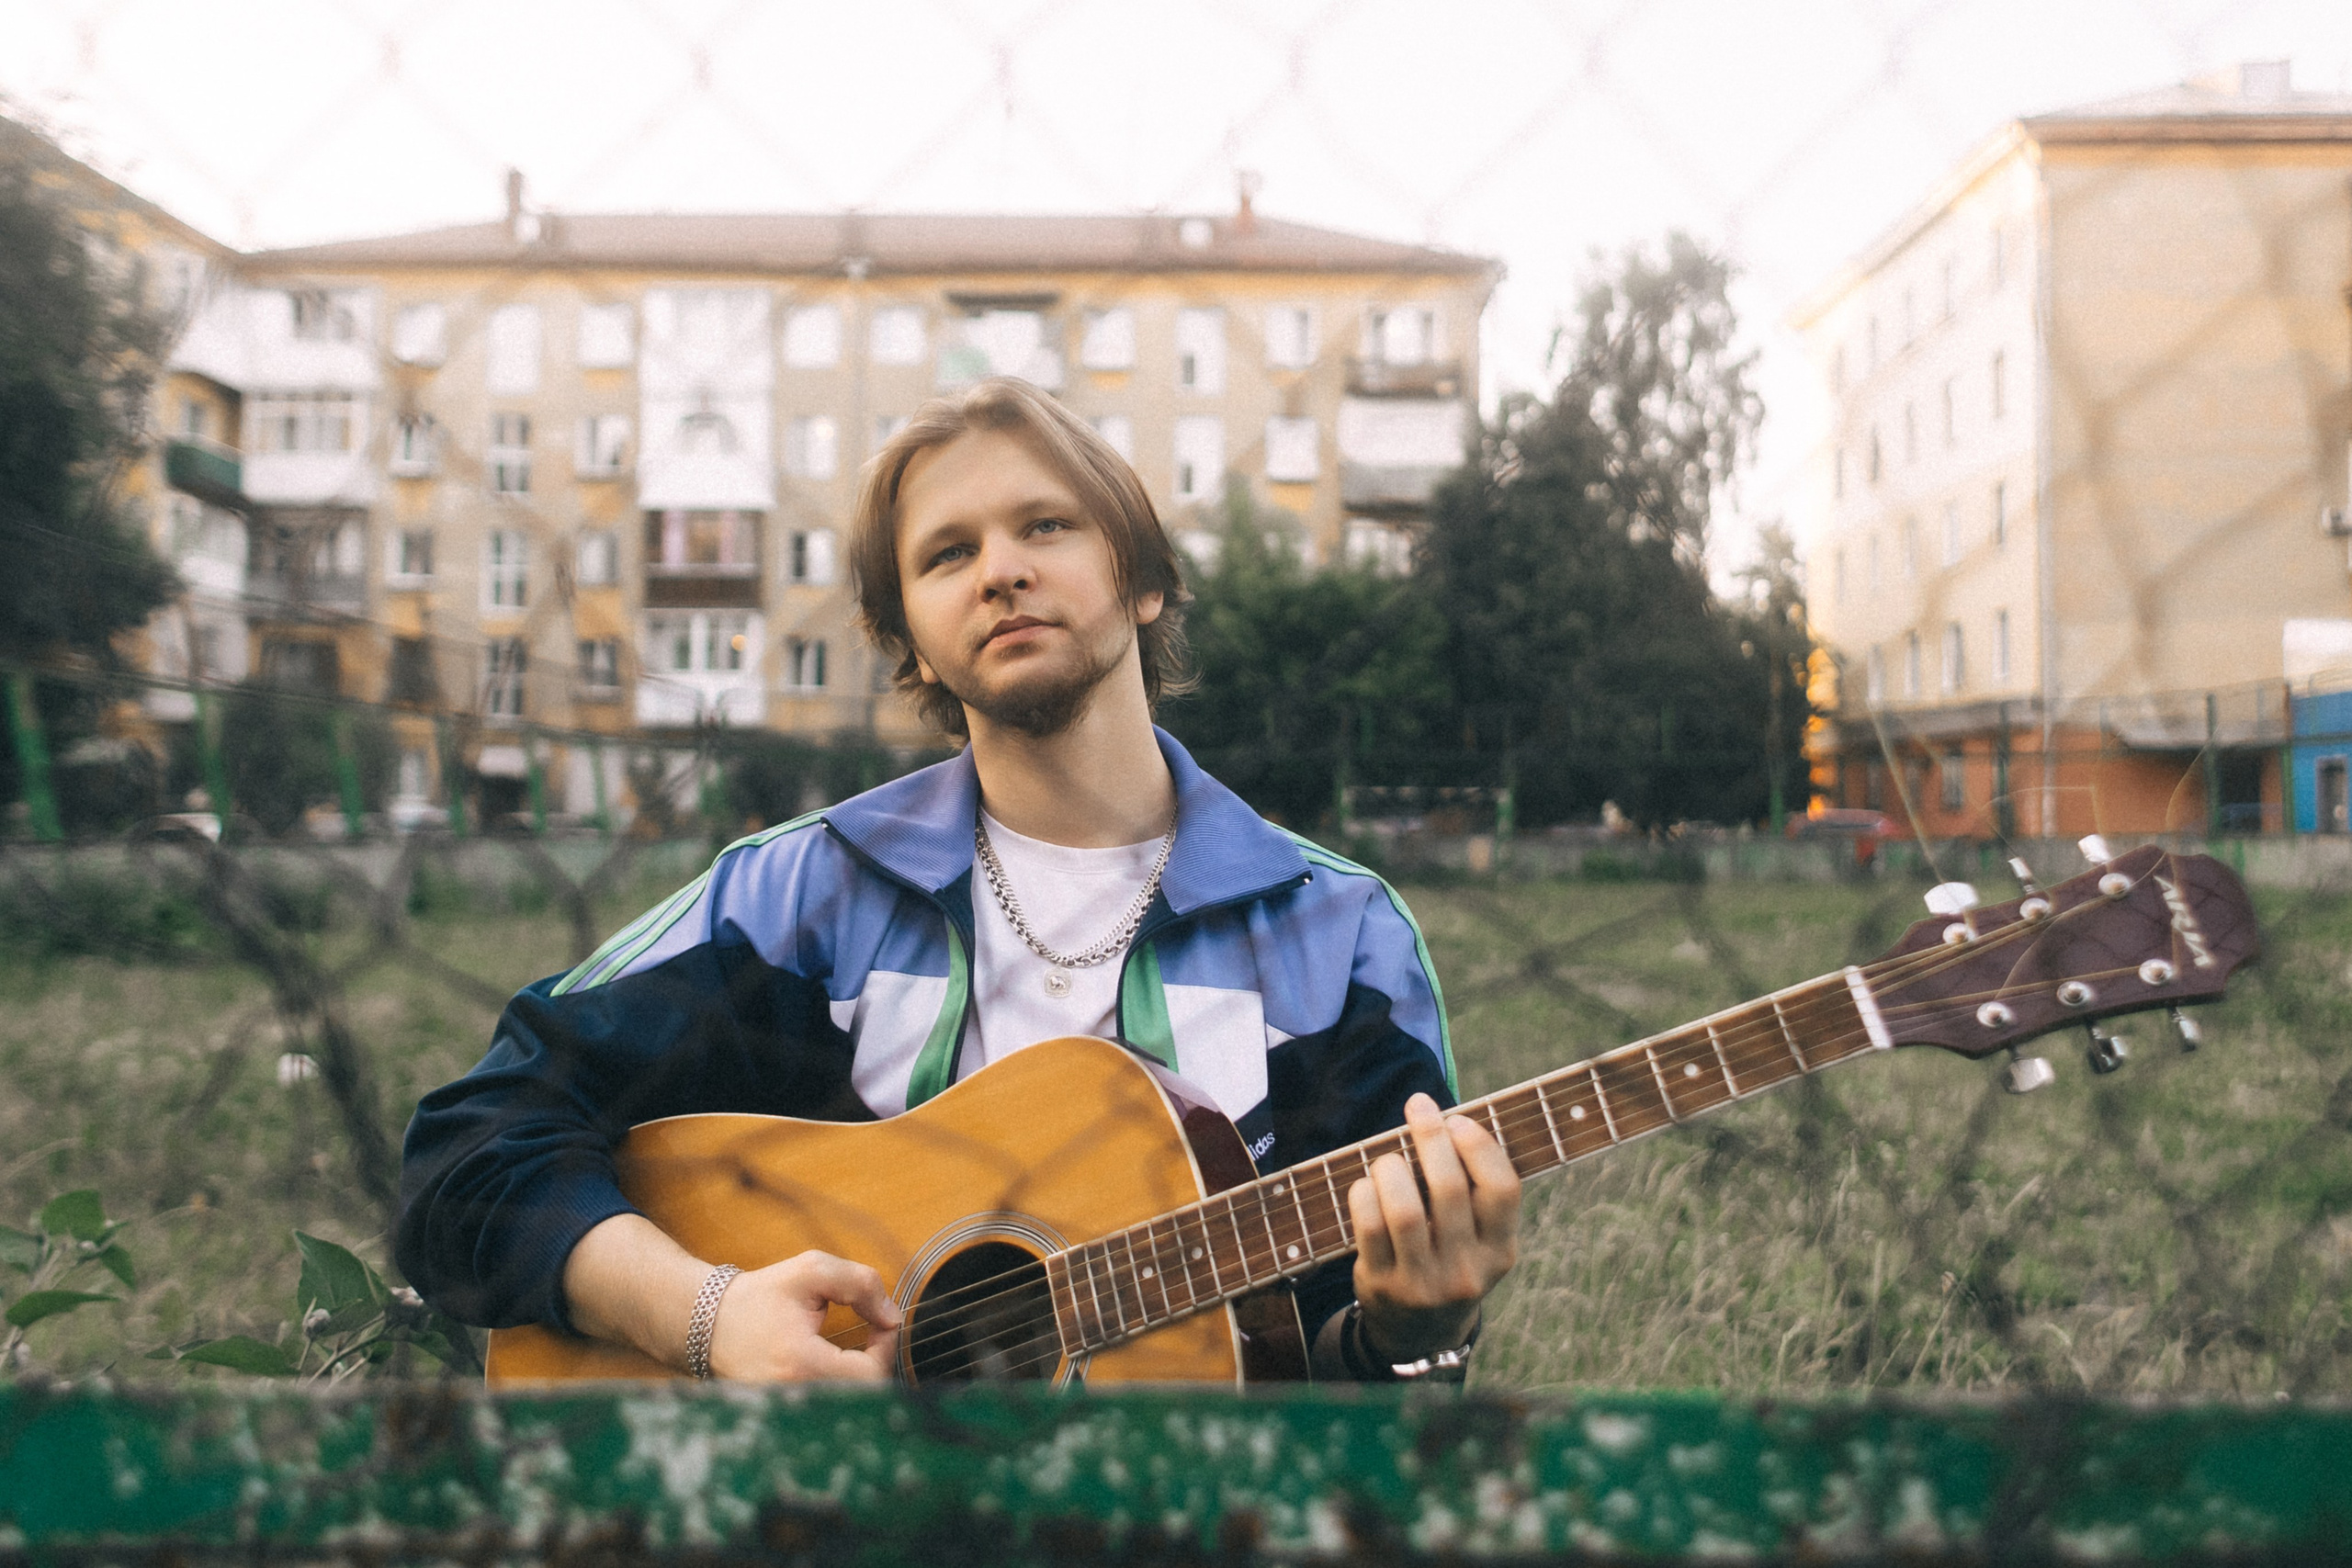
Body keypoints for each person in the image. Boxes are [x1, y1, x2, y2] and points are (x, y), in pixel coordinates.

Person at [395, 377, 1521, 1382]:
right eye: (947, 553)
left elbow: (1323, 1371)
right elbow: (471, 1147)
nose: (1002, 571)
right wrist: (707, 1318)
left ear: (1141, 583)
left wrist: (1414, 1333)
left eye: (1045, 525)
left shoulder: (1335, 935)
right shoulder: (804, 898)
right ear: (916, 647)